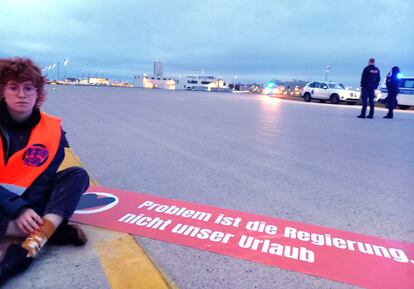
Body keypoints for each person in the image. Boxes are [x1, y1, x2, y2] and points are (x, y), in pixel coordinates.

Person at [0, 57, 89, 285]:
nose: (22, 94)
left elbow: (43, 180)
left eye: (28, 88)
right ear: (3, 91)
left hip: (33, 202)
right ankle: (50, 231)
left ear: (38, 93)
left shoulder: (52, 130)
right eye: (13, 87)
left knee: (77, 175)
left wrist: (28, 209)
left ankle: (32, 242)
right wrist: (18, 209)